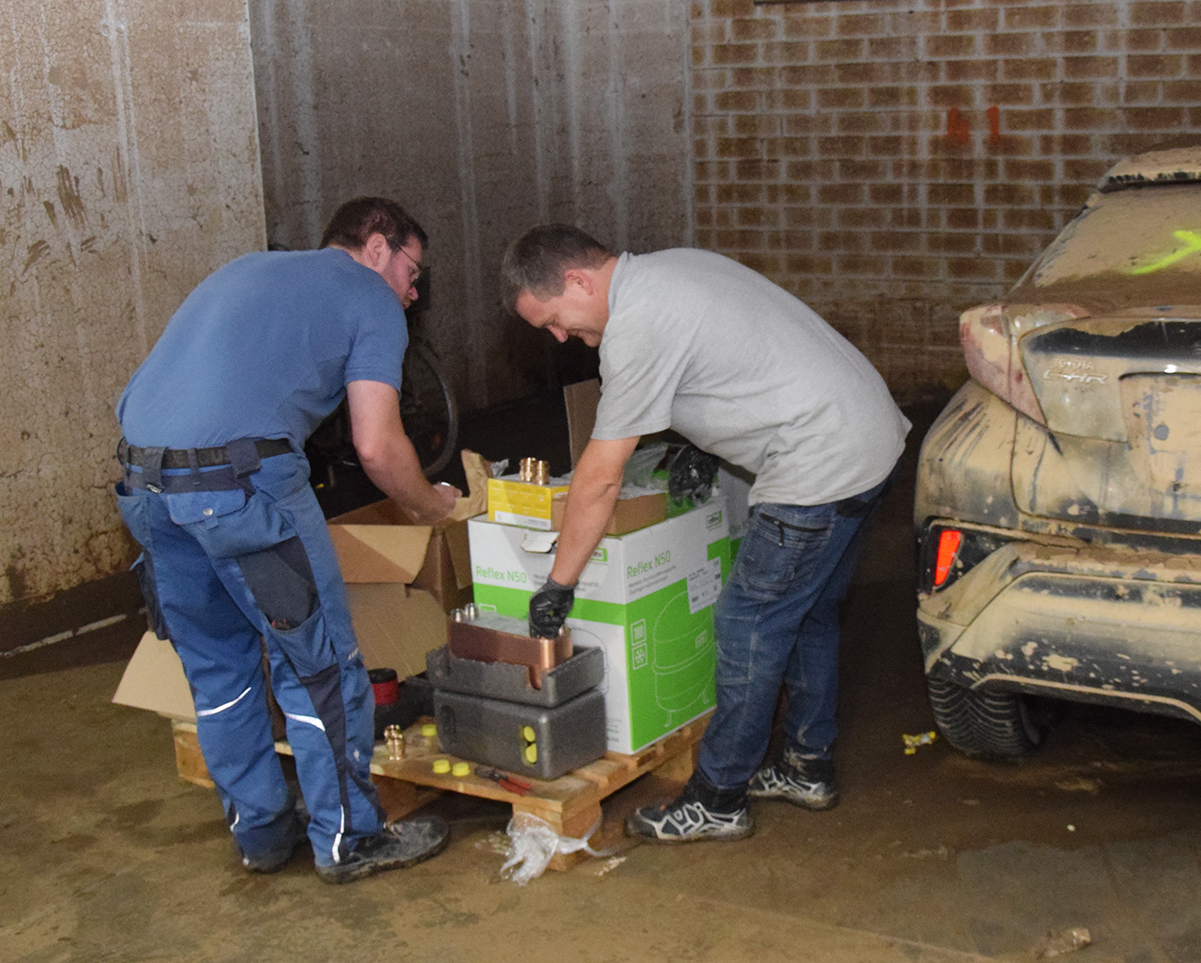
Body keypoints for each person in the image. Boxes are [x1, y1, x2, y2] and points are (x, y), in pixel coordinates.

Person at [498, 225, 909, 843]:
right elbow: (735, 358)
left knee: (748, 623)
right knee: (810, 611)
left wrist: (558, 582)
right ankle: (806, 765)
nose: (559, 337)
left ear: (578, 280)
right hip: (867, 435)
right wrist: (704, 441)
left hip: (817, 463)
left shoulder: (634, 327)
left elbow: (598, 480)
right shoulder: (673, 267)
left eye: (554, 318)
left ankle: (719, 796)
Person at [113, 197, 462, 883]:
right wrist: (429, 506)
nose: (413, 292)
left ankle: (262, 833)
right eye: (412, 272)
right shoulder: (369, 297)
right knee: (321, 668)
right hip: (240, 491)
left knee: (217, 670)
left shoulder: (249, 269)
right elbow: (376, 444)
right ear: (377, 245)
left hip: (144, 487)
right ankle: (349, 840)